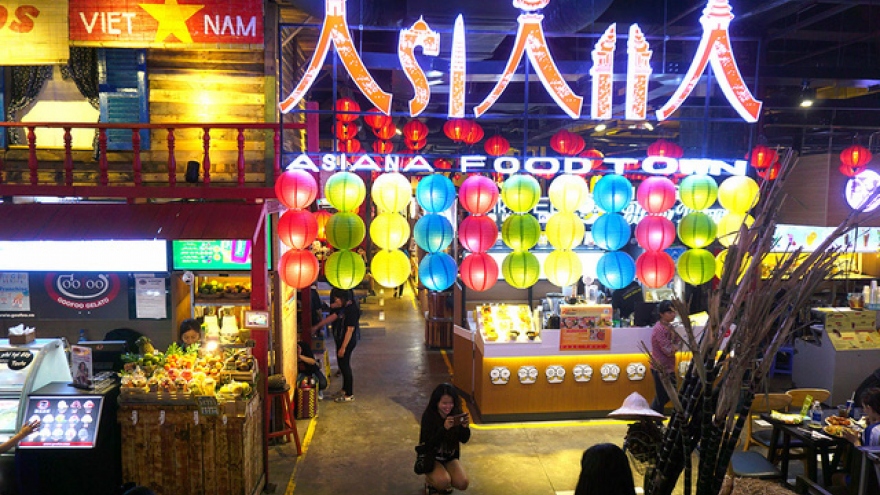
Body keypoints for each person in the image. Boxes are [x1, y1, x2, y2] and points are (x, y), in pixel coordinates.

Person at [419, 383, 470, 494]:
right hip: (432, 457)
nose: (448, 407)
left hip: (449, 457)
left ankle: (443, 476)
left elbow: (464, 439)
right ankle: (430, 481)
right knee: (443, 481)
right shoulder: (429, 417)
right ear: (437, 403)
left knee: (463, 483)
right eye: (444, 403)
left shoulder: (456, 414)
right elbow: (428, 445)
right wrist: (444, 429)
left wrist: (465, 428)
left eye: (451, 403)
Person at [312, 288, 360, 402]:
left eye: (337, 299)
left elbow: (350, 330)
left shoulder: (352, 310)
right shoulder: (344, 307)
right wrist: (317, 326)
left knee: (345, 366)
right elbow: (333, 317)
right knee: (341, 364)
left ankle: (349, 394)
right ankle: (344, 389)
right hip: (340, 339)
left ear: (344, 299)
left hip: (347, 342)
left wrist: (343, 347)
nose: (335, 301)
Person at [650, 300, 680, 414]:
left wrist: (674, 347)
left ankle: (652, 417)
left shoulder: (670, 327)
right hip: (660, 367)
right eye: (669, 312)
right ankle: (654, 419)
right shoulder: (659, 329)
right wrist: (674, 347)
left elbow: (678, 343)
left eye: (674, 312)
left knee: (667, 395)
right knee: (662, 397)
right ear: (661, 314)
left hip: (669, 367)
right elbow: (668, 351)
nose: (673, 314)